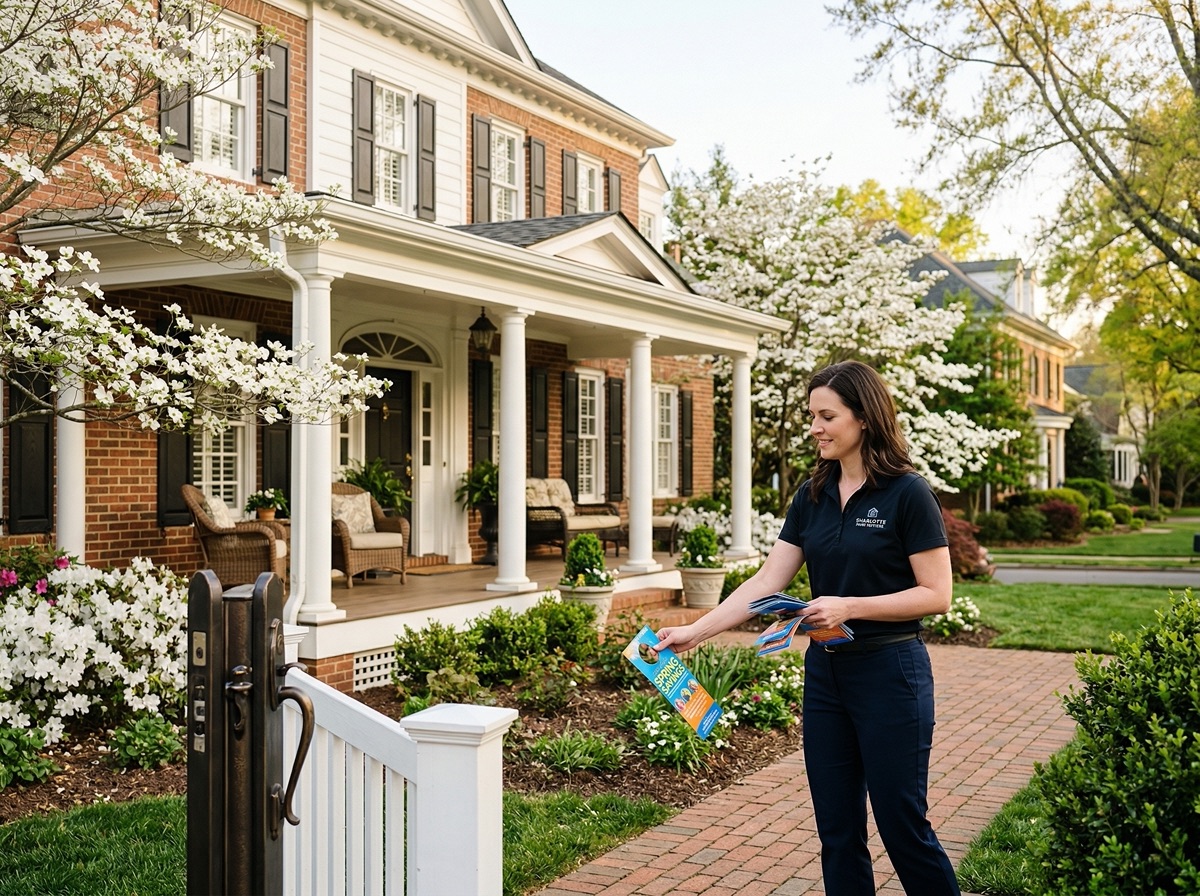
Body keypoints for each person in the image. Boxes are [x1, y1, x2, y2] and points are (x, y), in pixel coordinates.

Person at [654, 360, 961, 896]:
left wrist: (850, 607)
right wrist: (695, 631)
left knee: (902, 826)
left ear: (864, 417)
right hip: (826, 676)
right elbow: (767, 580)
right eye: (811, 415)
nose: (815, 427)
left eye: (827, 415)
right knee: (837, 832)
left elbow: (936, 594)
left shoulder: (908, 494)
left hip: (892, 674)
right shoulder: (812, 494)